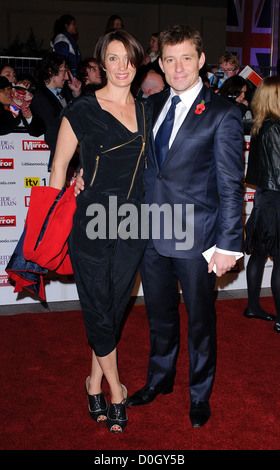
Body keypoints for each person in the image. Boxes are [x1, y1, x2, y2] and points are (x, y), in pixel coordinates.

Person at [75, 24, 244, 428]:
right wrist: (85, 173)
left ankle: (199, 394)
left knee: (200, 321)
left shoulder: (223, 112)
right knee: (159, 316)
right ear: (161, 64)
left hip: (197, 236)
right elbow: (121, 155)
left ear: (201, 61)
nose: (179, 66)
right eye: (170, 59)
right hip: (149, 230)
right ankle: (159, 380)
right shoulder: (150, 105)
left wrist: (227, 245)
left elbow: (231, 185)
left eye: (187, 57)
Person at [49, 29, 151, 433]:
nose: (122, 66)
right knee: (96, 305)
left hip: (134, 223)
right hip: (91, 221)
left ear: (138, 62)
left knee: (112, 308)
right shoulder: (82, 110)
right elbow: (59, 168)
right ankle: (117, 391)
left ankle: (93, 383)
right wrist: (47, 220)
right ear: (100, 63)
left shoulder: (149, 111)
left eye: (128, 58)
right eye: (113, 58)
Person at [244, 76, 280, 332]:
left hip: (265, 197)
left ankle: (253, 306)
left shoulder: (260, 125)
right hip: (276, 198)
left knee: (258, 254)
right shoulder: (275, 127)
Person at [30, 52, 80, 171]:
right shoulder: (40, 97)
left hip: (71, 156)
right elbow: (53, 131)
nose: (67, 77)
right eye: (63, 72)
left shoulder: (66, 93)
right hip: (62, 159)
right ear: (51, 71)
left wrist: (77, 94)